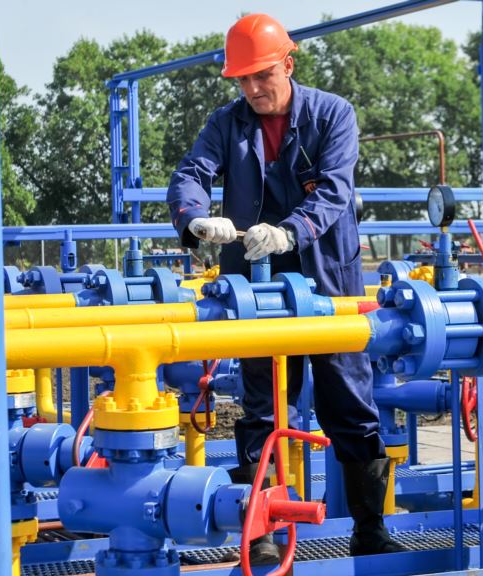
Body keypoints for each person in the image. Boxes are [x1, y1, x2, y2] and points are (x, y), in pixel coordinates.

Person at [166, 14, 408, 562]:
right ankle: (262, 535)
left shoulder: (333, 114)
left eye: (263, 76)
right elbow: (191, 175)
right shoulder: (226, 124)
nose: (253, 89)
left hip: (329, 281)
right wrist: (197, 220)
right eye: (243, 80)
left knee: (350, 402)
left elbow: (335, 190)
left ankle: (370, 530)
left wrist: (290, 231)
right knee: (262, 407)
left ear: (288, 65)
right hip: (256, 288)